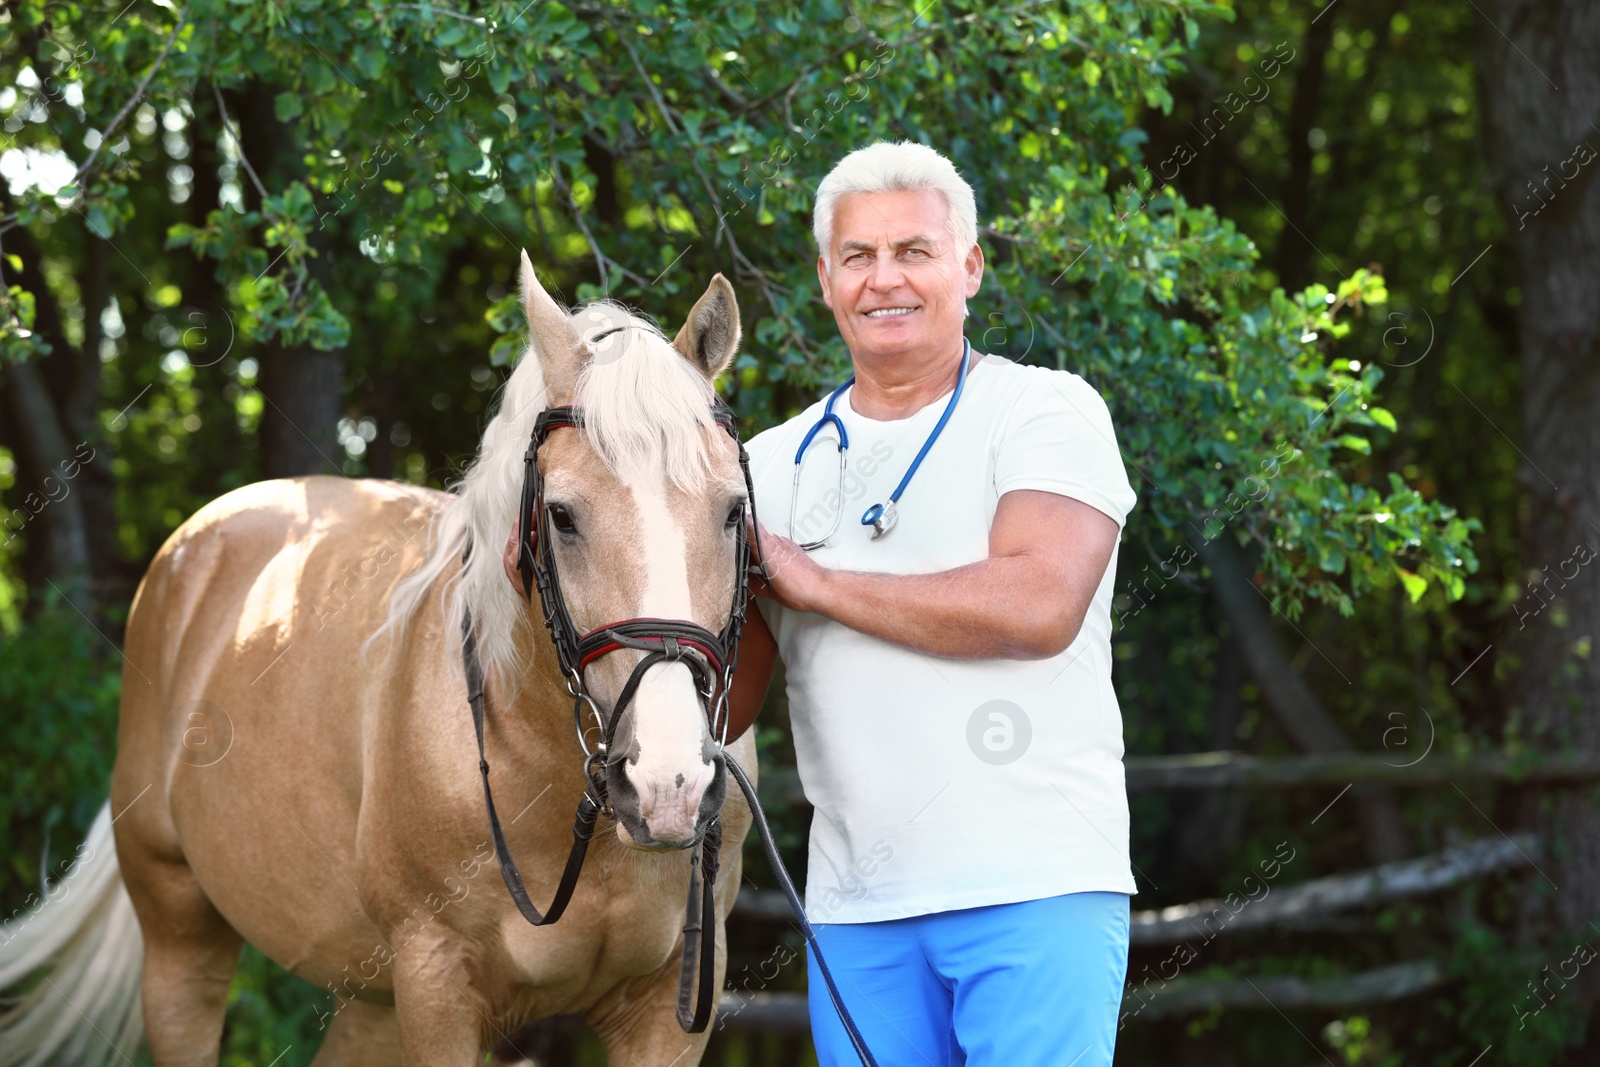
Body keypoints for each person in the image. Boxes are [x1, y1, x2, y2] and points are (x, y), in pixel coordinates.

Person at [723, 140, 1140, 1066]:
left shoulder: (1044, 411)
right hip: (856, 911)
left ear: (970, 267)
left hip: (1036, 886)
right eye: (859, 256)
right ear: (826, 277)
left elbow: (1039, 604)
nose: (886, 280)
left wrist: (820, 581)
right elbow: (727, 700)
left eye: (914, 250)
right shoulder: (762, 465)